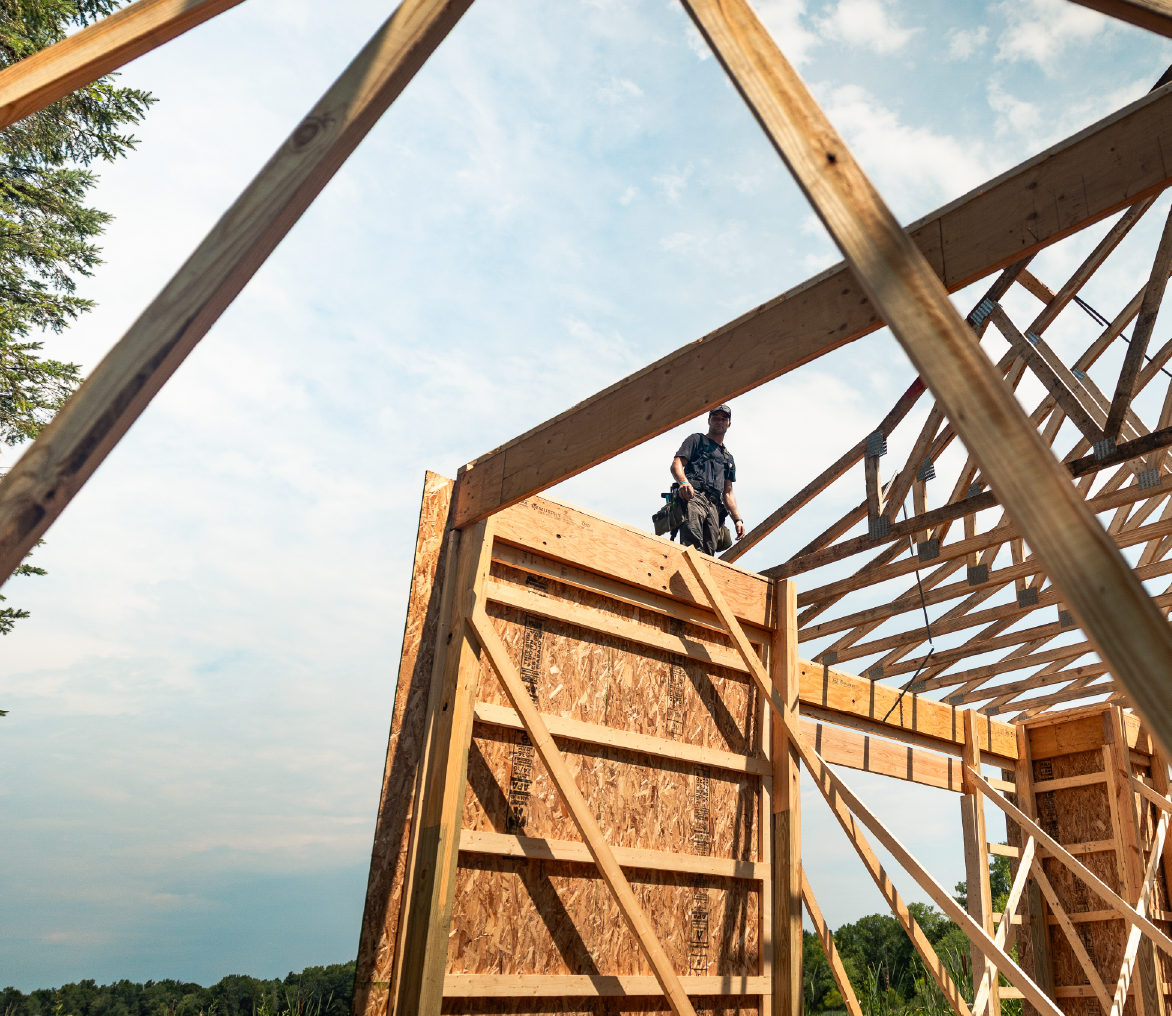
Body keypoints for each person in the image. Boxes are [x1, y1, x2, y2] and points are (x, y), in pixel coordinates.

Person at [670, 404, 745, 555]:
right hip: (694, 496)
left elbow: (728, 493)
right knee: (692, 544)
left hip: (714, 506)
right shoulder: (696, 440)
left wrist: (737, 519)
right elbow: (676, 464)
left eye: (724, 418)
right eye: (716, 418)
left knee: (708, 552)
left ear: (729, 423)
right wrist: (683, 482)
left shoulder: (727, 457)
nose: (720, 421)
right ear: (709, 420)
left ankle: (701, 577)